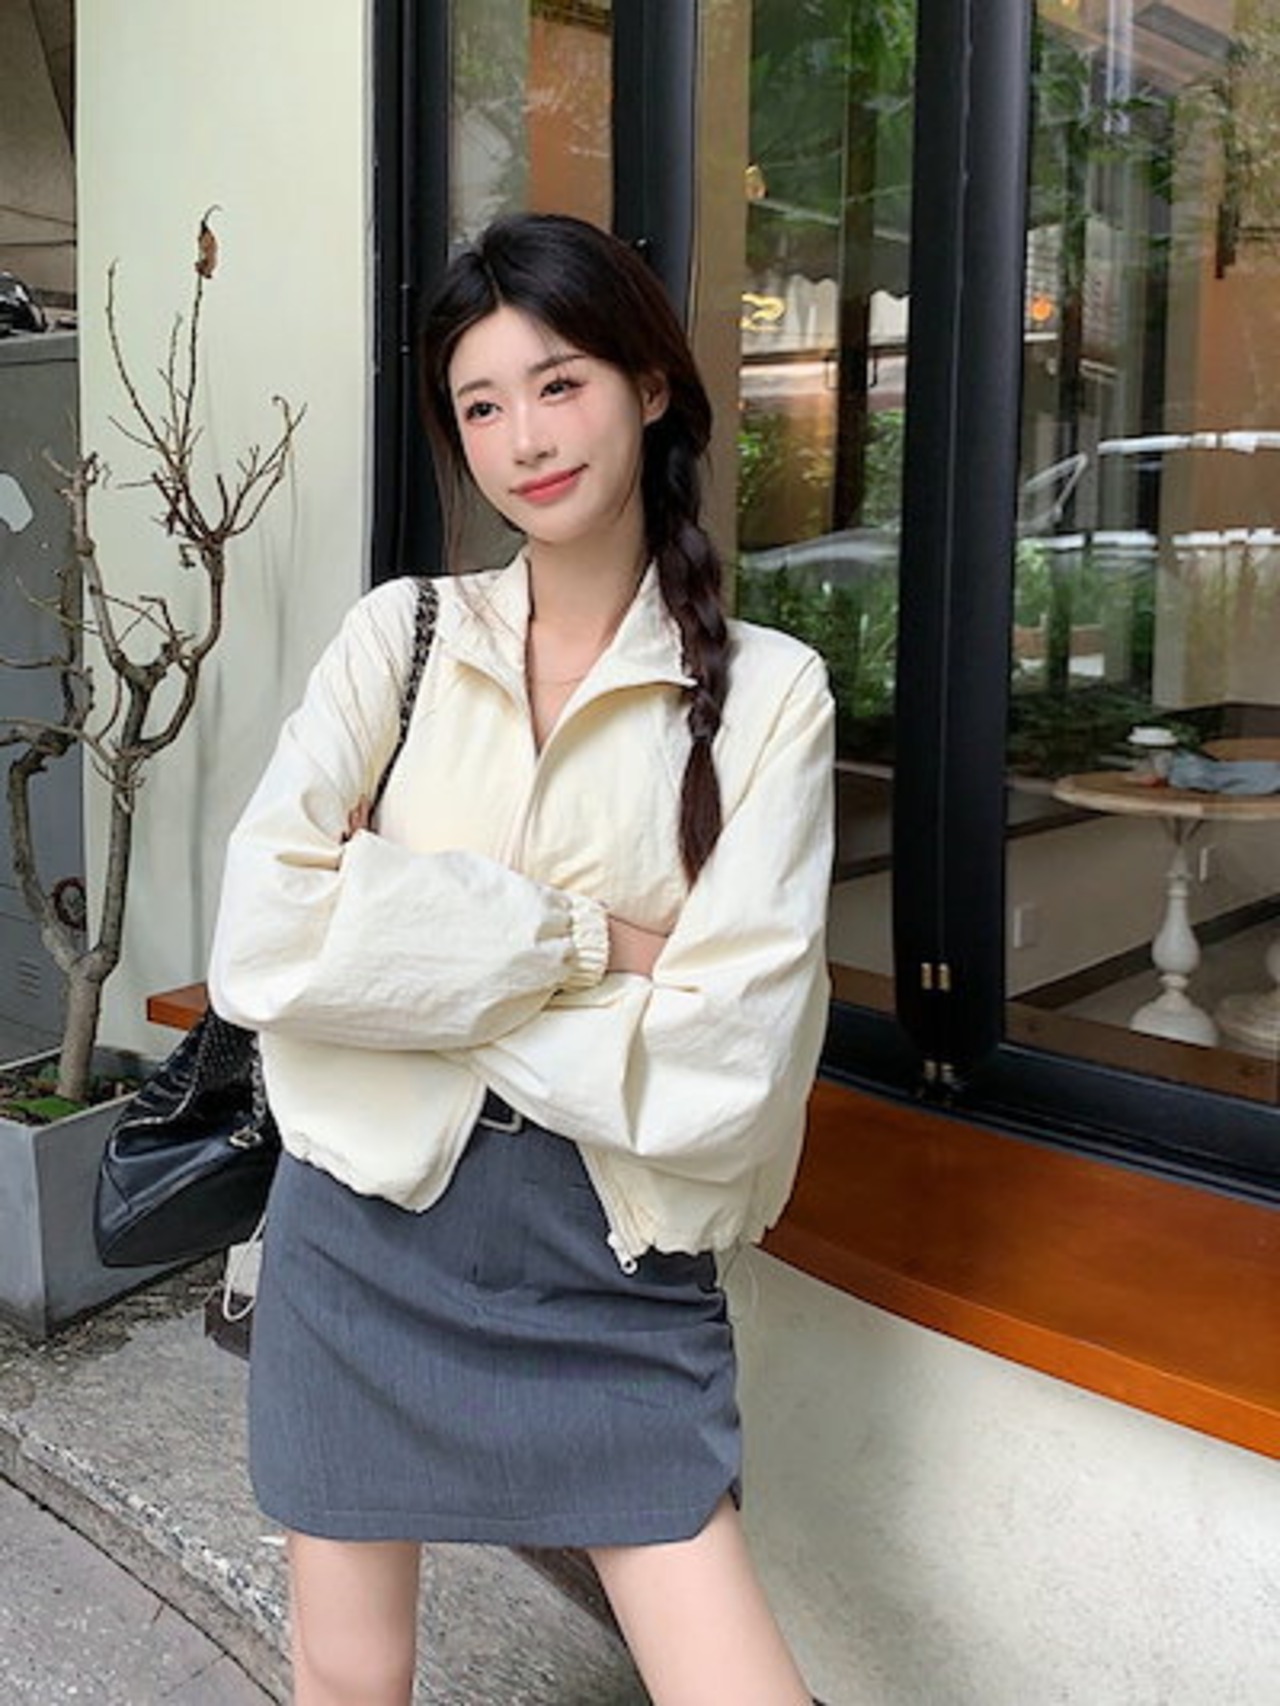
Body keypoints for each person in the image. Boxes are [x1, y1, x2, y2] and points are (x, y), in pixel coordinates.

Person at [209, 211, 834, 1706]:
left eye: (559, 384)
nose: (525, 439)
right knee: (346, 1678)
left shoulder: (770, 700)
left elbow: (723, 1072)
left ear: (650, 386)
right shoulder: (400, 641)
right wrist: (591, 944)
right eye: (481, 405)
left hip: (610, 1255)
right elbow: (264, 946)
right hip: (357, 1231)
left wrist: (405, 960)